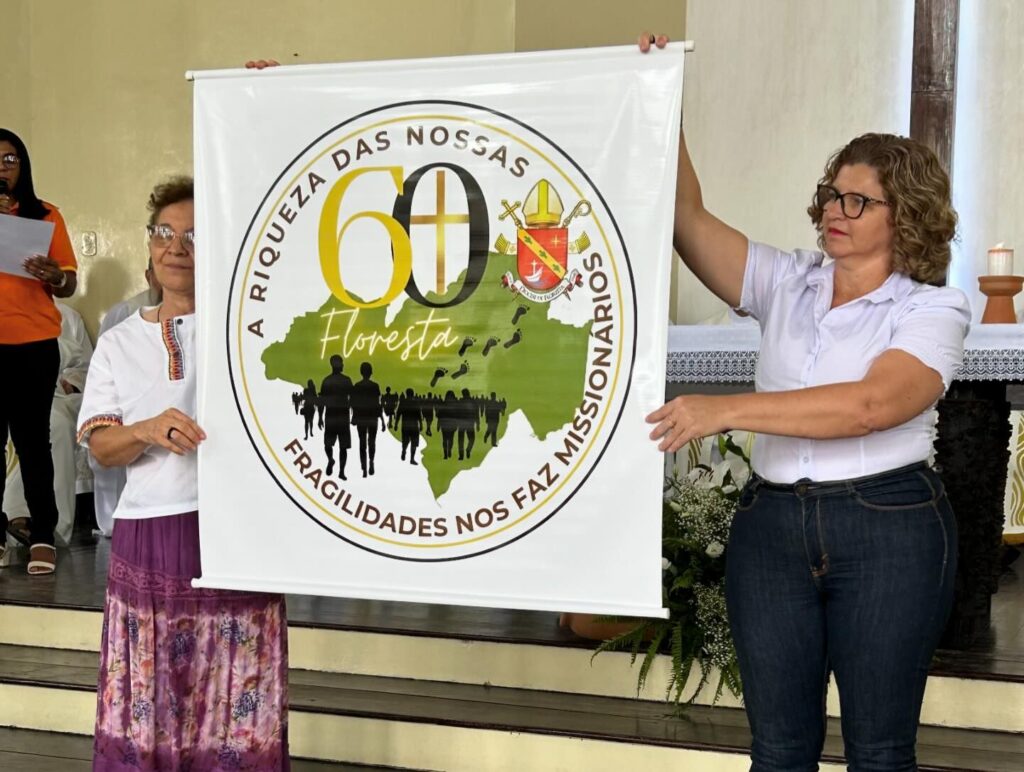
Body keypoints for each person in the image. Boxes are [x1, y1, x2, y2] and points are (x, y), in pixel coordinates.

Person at [641, 33, 969, 771]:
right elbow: (686, 216)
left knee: (879, 754)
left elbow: (870, 406)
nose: (835, 209)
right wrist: (661, 88)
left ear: (904, 215)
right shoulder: (786, 281)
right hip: (774, 530)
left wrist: (727, 411)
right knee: (778, 752)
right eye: (832, 193)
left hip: (889, 527)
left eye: (859, 199)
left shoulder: (932, 308)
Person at [78, 177, 289, 770]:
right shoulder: (120, 342)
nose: (178, 247)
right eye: (165, 233)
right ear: (149, 245)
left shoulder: (251, 330)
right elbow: (100, 446)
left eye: (195, 235)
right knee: (152, 694)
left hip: (238, 530)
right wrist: (145, 429)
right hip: (152, 533)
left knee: (236, 693)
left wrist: (260, 105)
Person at [0, 128, 78, 574]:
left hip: (32, 344)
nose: (3, 169)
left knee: (33, 444)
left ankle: (42, 535)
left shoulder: (46, 216)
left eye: (10, 160)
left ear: (23, 166)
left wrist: (53, 274)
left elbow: (68, 283)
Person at [4, 303, 93, 546]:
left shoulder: (69, 316)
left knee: (56, 425)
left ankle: (40, 524)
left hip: (54, 394)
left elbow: (86, 366)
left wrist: (72, 382)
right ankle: (15, 515)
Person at [89, 262, 162, 537]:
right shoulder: (125, 312)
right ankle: (116, 518)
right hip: (125, 402)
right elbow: (102, 366)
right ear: (148, 275)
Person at [320, 355, 353, 478]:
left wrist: (319, 417)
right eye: (342, 363)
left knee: (330, 444)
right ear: (337, 364)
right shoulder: (346, 380)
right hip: (341, 416)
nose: (343, 365)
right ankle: (339, 469)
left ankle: (337, 467)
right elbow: (352, 398)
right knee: (342, 446)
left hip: (331, 416)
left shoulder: (326, 380)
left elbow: (322, 401)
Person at [350, 362, 385, 477]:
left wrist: (353, 417)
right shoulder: (375, 386)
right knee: (372, 442)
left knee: (362, 443)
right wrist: (382, 420)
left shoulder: (357, 386)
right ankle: (371, 462)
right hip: (372, 417)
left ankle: (364, 468)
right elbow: (377, 404)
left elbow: (353, 403)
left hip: (361, 417)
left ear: (361, 372)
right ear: (371, 372)